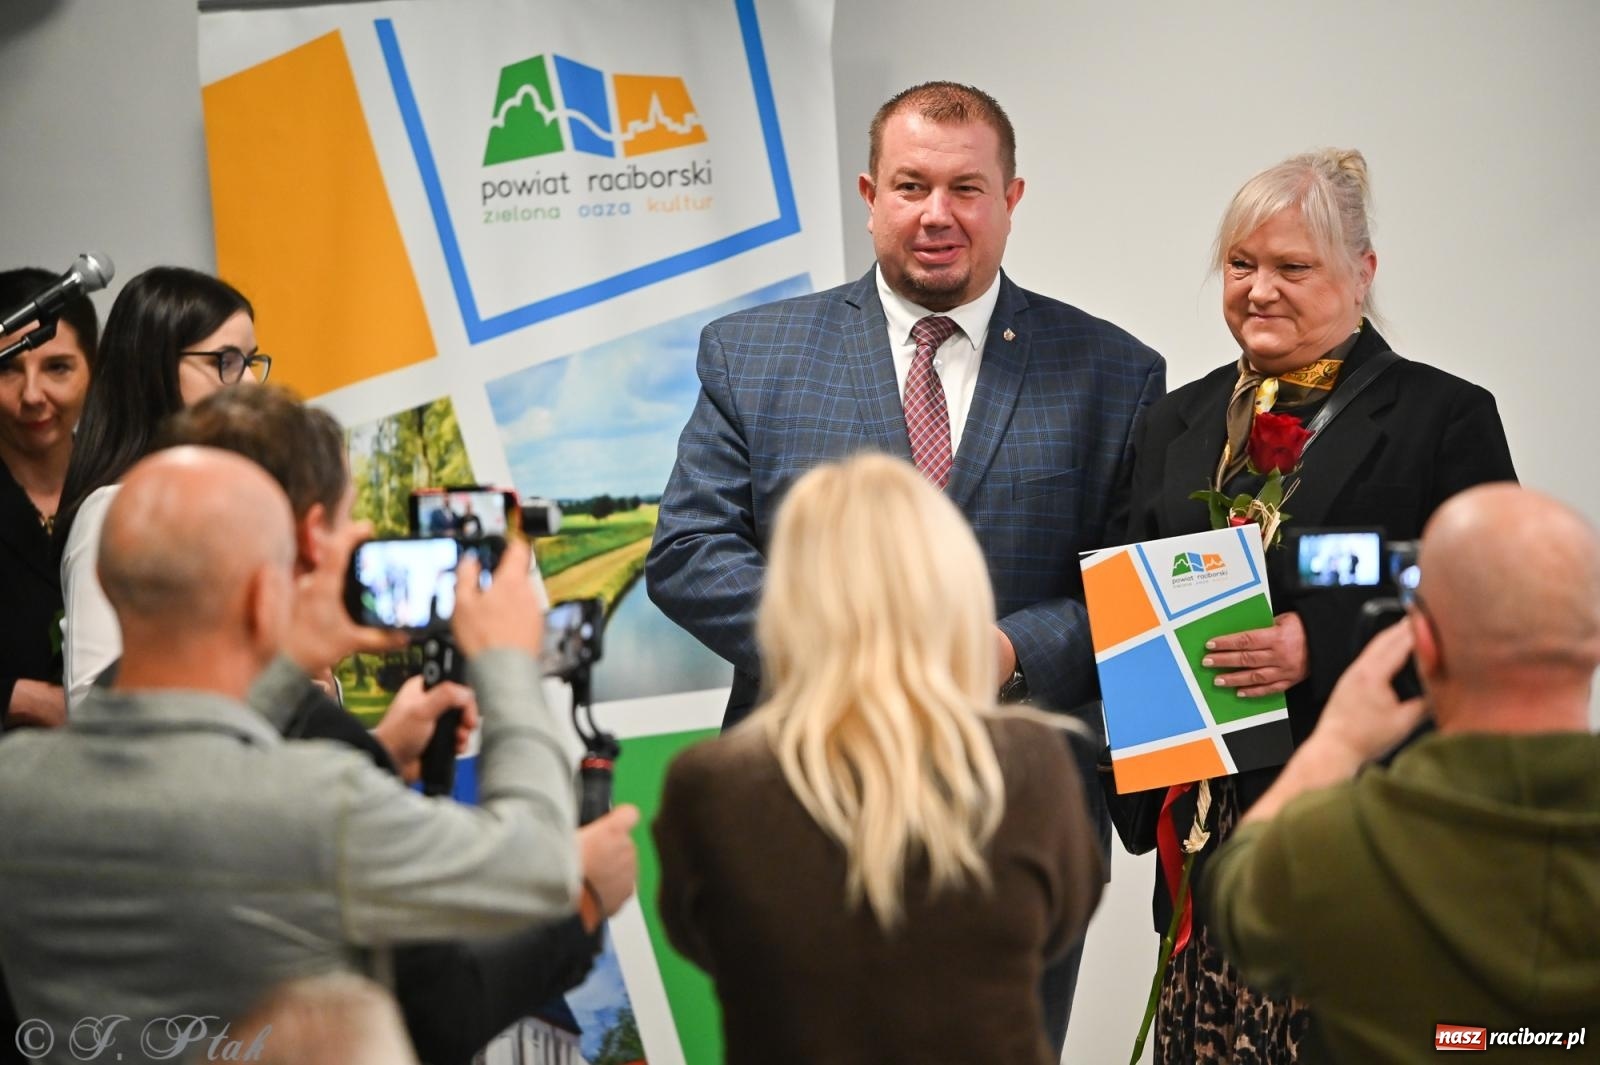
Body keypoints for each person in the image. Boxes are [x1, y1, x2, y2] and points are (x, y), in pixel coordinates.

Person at [646, 81, 1164, 1047]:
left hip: (1013, 795)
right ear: (869, 192)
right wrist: (852, 649)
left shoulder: (1113, 371)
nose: (937, 215)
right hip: (798, 790)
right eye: (911, 185)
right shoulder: (753, 354)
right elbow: (688, 551)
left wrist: (1004, 649)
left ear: (1012, 197)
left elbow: (1130, 582)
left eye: (967, 188)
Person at [1113, 148, 1518, 1062]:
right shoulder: (1173, 424)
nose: (1260, 289)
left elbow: (1486, 597)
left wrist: (1322, 637)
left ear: (1362, 273)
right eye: (1242, 263)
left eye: (1293, 266)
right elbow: (1129, 600)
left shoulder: (1441, 415)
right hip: (1207, 869)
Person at [0, 447, 581, 1060]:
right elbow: (540, 865)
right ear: (260, 597)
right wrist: (507, 661)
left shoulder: (17, 785)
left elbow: (184, 753)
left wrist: (290, 659)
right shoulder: (313, 800)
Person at [158, 385, 640, 1065]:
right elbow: (439, 1013)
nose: (364, 537)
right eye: (350, 518)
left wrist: (376, 744)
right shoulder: (322, 767)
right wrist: (583, 897)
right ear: (310, 538)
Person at [652, 454, 1104, 1065]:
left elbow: (700, 939)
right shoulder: (1030, 764)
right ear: (953, 583)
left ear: (790, 596)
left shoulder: (712, 786)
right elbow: (1060, 923)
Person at [1202, 483, 1600, 1063]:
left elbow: (1236, 895)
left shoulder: (1338, 847)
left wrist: (1337, 741)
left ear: (1425, 646)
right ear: (1591, 646)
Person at [56, 265, 269, 709]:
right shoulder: (114, 513)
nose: (248, 382)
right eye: (226, 361)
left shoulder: (236, 505)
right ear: (155, 366)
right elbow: (93, 704)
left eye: (251, 362)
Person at [0, 267, 97, 733]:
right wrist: (26, 699)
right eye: (7, 368)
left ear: (94, 369)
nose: (32, 395)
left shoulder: (128, 489)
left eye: (57, 367)